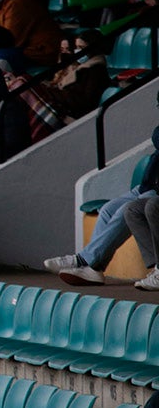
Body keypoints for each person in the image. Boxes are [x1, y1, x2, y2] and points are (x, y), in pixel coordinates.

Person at [44, 120, 159, 286]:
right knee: (107, 210)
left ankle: (83, 260)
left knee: (126, 212)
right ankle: (95, 269)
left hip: (155, 190)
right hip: (145, 186)